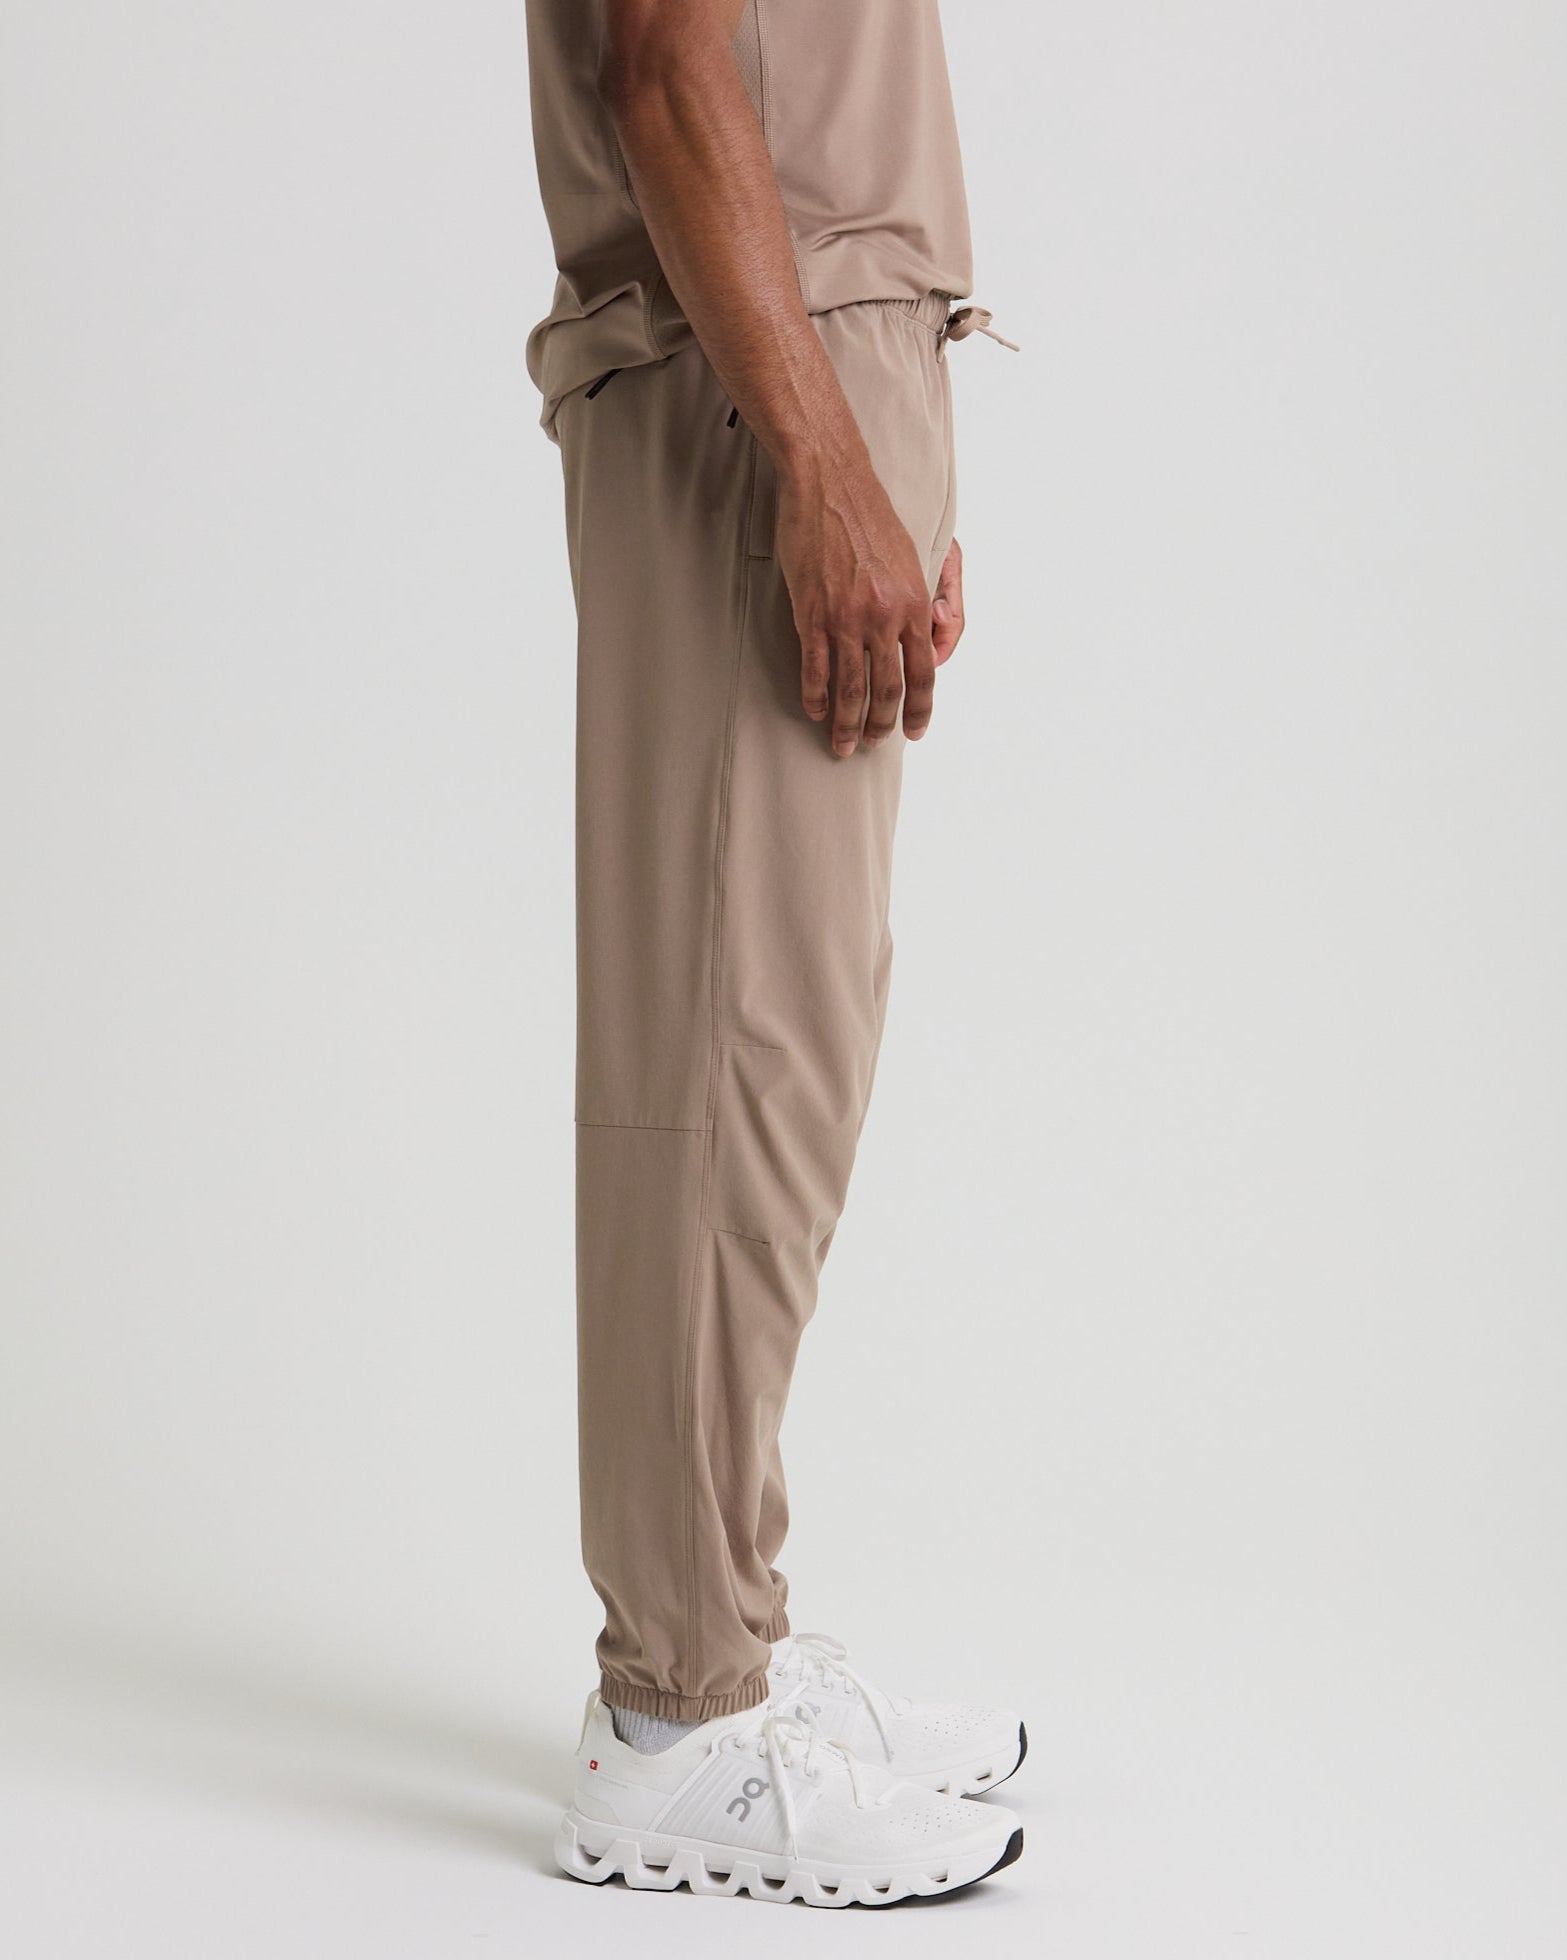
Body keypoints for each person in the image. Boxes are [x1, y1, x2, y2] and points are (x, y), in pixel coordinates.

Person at [525, 0, 1025, 1906]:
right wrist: (822, 455)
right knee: (726, 1057)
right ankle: (676, 1714)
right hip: (749, 372)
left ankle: (722, 1618)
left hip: (794, 354)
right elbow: (666, 62)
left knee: (785, 1051)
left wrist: (877, 421)